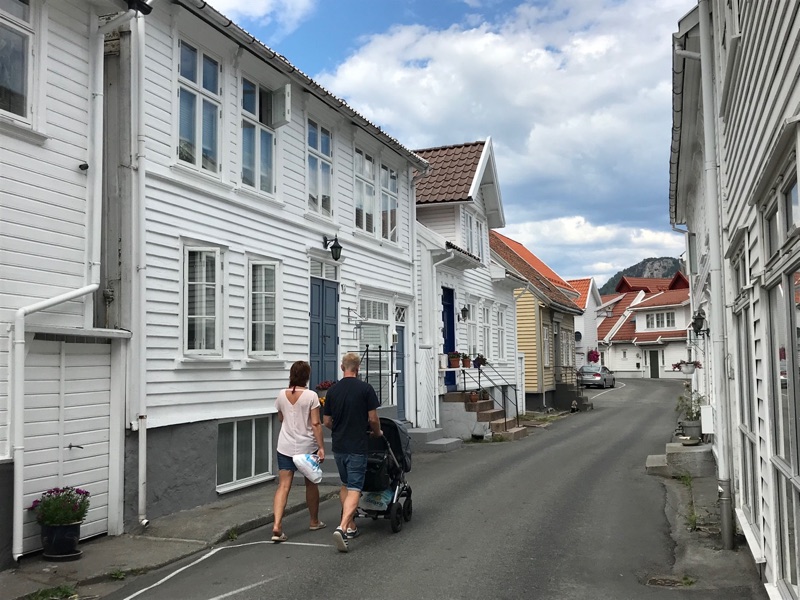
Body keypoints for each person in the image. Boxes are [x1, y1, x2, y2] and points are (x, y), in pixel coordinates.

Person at [323, 352, 382, 552]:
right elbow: (373, 418)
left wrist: (338, 429)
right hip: (357, 445)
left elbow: (327, 422)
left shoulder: (332, 391)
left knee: (345, 484)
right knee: (356, 487)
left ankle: (351, 526)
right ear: (358, 369)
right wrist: (377, 432)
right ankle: (342, 527)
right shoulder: (365, 389)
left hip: (339, 446)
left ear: (342, 367)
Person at [271, 361, 326, 542]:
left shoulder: (281, 394)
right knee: (311, 484)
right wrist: (321, 447)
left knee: (284, 485)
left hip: (285, 446)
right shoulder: (311, 396)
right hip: (307, 447)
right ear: (307, 376)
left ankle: (277, 524)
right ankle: (314, 521)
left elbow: (281, 417)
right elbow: (316, 423)